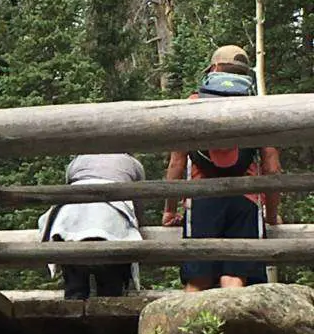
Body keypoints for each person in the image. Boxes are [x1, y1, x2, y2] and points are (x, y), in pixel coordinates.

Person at [162, 44, 282, 292]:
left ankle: (193, 320)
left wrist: (169, 210)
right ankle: (235, 320)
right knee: (235, 278)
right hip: (246, 199)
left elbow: (176, 163)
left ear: (214, 68)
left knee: (198, 280)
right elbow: (272, 167)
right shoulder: (257, 106)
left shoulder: (194, 103)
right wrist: (271, 214)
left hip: (202, 198)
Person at [39, 154, 145, 300]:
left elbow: (68, 188)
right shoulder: (133, 164)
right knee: (111, 290)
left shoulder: (77, 161)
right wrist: (139, 225)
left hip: (70, 219)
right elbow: (138, 202)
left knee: (75, 287)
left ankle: (72, 308)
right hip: (111, 221)